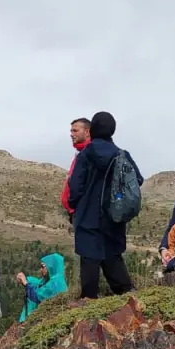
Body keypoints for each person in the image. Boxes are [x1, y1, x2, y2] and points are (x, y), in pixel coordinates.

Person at [67, 111, 143, 299]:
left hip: (88, 215)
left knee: (89, 258)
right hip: (114, 215)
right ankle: (127, 295)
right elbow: (138, 180)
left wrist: (74, 206)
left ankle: (88, 300)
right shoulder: (122, 154)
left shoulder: (86, 154)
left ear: (92, 130)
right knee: (112, 255)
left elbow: (75, 186)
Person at [17, 252, 68, 321]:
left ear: (50, 267)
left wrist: (26, 283)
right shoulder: (53, 279)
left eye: (43, 267)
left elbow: (37, 296)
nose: (41, 269)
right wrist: (26, 279)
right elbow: (39, 283)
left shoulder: (55, 284)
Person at [61, 118, 92, 220]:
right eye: (71, 131)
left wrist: (74, 206)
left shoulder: (89, 154)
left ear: (87, 132)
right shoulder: (81, 152)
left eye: (75, 131)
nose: (71, 134)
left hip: (82, 213)